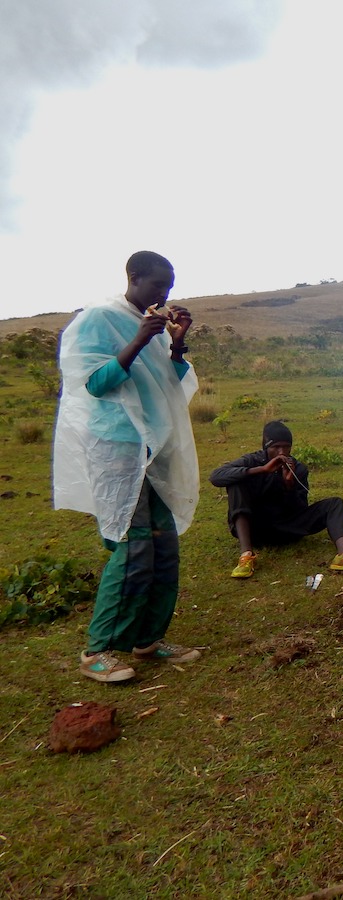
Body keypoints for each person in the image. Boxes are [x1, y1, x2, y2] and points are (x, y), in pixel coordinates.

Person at [53, 251, 202, 683]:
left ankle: (148, 639)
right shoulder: (98, 319)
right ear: (133, 278)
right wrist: (139, 338)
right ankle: (98, 650)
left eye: (169, 287)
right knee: (133, 545)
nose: (164, 294)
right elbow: (96, 384)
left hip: (154, 444)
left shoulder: (153, 326)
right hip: (117, 446)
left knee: (164, 544)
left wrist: (175, 342)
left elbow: (169, 384)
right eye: (157, 285)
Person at [209, 420, 343, 578]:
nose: (281, 452)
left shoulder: (298, 469)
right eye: (276, 447)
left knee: (334, 503)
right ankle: (246, 556)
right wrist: (262, 470)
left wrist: (289, 486)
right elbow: (215, 477)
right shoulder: (253, 461)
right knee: (235, 482)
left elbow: (300, 509)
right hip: (257, 530)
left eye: (286, 446)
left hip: (289, 529)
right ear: (266, 447)